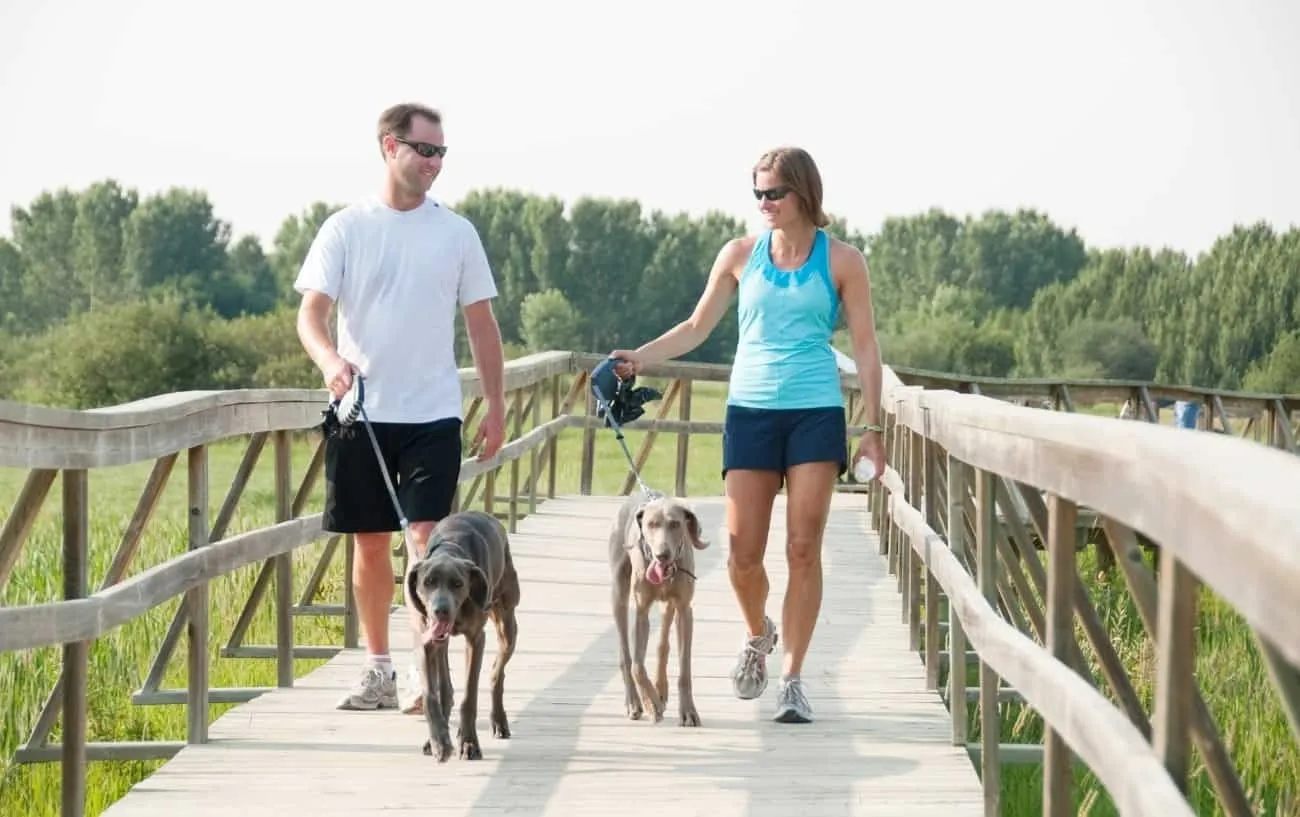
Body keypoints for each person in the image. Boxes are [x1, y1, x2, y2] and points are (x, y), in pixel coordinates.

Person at [610, 146, 886, 724]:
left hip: (814, 411)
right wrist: (641, 357)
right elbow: (694, 327)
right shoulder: (740, 254)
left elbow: (864, 345)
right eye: (757, 193)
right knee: (741, 555)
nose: (764, 203)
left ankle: (791, 679)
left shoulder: (843, 261)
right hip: (751, 411)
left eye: (774, 193)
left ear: (804, 194)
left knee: (803, 547)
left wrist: (874, 427)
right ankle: (759, 633)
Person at [295, 102, 507, 713]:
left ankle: (424, 670)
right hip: (360, 411)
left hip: (433, 413)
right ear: (391, 148)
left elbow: (482, 326)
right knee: (367, 542)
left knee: (424, 540)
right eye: (425, 150)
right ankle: (379, 669)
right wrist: (331, 362)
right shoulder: (346, 228)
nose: (435, 163)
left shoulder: (457, 233)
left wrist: (493, 407)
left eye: (442, 153)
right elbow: (311, 314)